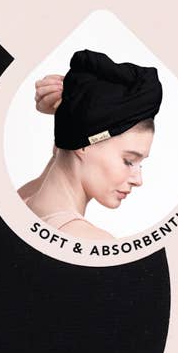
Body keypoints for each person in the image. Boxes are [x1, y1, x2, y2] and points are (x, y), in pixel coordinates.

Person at [17, 50, 162, 242]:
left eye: (139, 164)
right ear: (84, 145)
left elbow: (68, 145)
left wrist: (68, 114)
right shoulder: (90, 242)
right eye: (128, 161)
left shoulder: (21, 201)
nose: (138, 180)